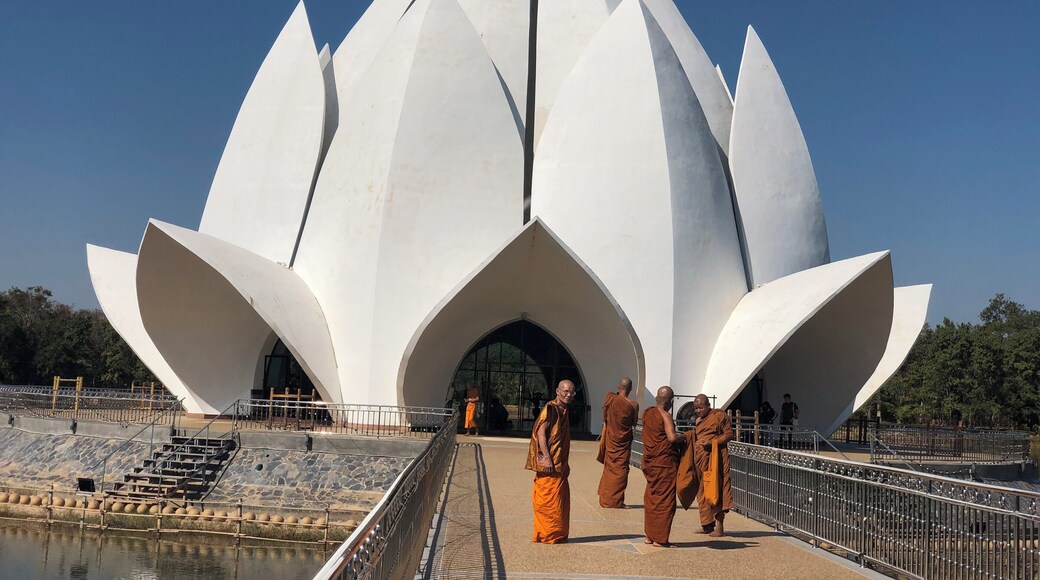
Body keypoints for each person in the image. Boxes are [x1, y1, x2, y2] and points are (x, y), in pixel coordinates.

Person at [525, 380, 576, 544]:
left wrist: (564, 462)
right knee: (546, 501)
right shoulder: (551, 408)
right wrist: (546, 458)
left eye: (572, 392)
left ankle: (556, 533)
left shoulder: (564, 410)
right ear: (557, 391)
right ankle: (546, 534)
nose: (569, 395)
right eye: (566, 391)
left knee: (559, 502)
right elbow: (541, 433)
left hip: (559, 464)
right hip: (550, 464)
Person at [678, 394, 733, 537]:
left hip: (716, 459)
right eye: (696, 408)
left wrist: (712, 443)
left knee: (716, 489)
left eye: (701, 407)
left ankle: (719, 527)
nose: (698, 411)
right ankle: (707, 524)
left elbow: (728, 435)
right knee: (702, 491)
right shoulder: (698, 421)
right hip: (701, 461)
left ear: (708, 405)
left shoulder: (719, 416)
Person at [641, 386, 683, 547]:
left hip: (652, 462)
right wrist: (686, 436)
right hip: (664, 463)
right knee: (665, 500)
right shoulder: (666, 416)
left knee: (652, 497)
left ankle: (649, 536)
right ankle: (659, 538)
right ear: (671, 401)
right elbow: (672, 438)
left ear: (657, 399)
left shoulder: (648, 413)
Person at [596, 377, 639, 508]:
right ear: (630, 389)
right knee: (621, 470)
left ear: (619, 386)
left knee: (610, 468)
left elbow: (605, 417)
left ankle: (606, 498)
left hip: (611, 439)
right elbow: (634, 423)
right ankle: (616, 501)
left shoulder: (610, 398)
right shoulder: (633, 404)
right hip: (623, 441)